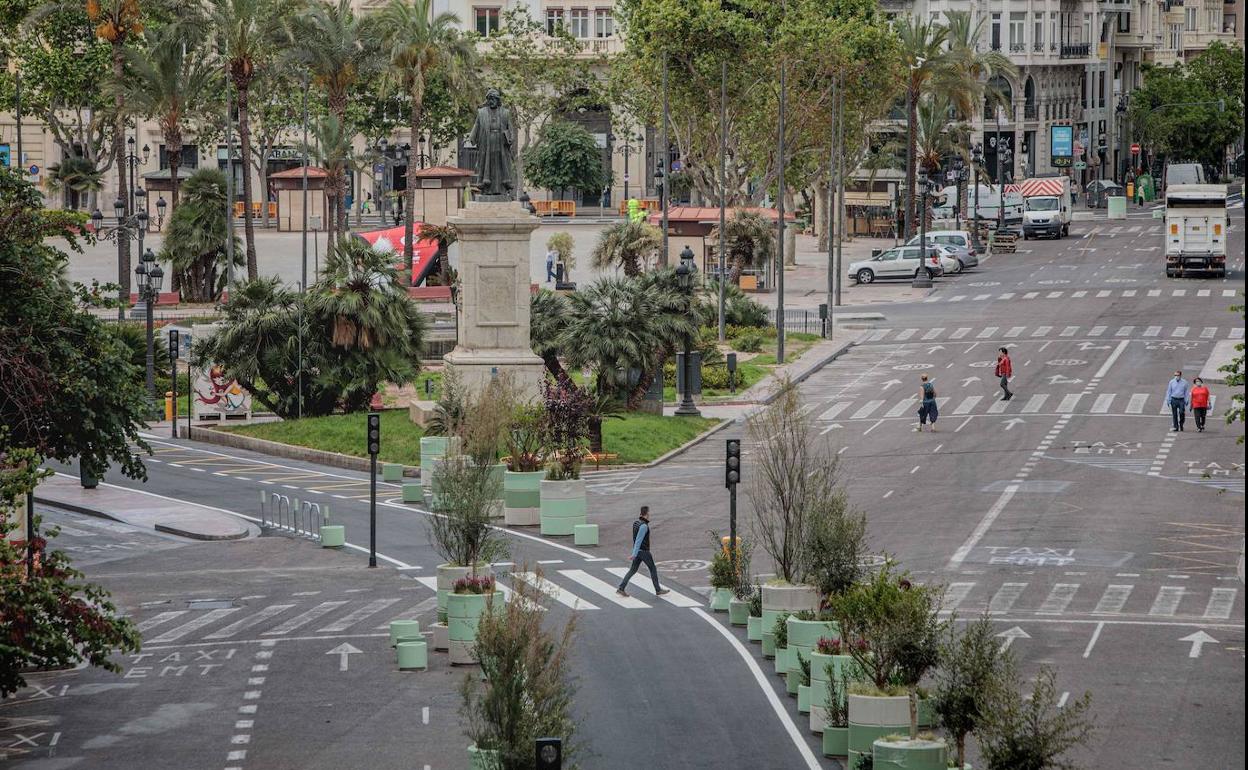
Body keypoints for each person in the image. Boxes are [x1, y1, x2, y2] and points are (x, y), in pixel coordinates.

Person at [616, 506, 669, 597]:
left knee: (633, 570)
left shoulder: (636, 523)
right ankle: (658, 590)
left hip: (638, 551)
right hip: (643, 551)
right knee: (652, 569)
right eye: (649, 513)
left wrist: (635, 552)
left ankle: (621, 588)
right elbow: (638, 540)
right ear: (647, 514)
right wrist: (634, 554)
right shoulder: (644, 526)